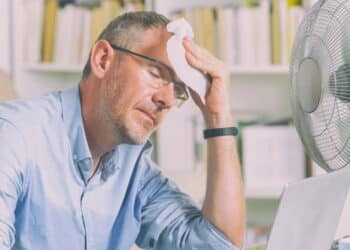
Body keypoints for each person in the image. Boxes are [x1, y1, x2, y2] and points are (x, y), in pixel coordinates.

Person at [0, 11, 245, 250]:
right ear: (103, 60)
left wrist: (217, 116)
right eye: (156, 73)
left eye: (179, 91)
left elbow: (217, 245)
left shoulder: (135, 171)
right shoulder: (14, 135)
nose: (167, 100)